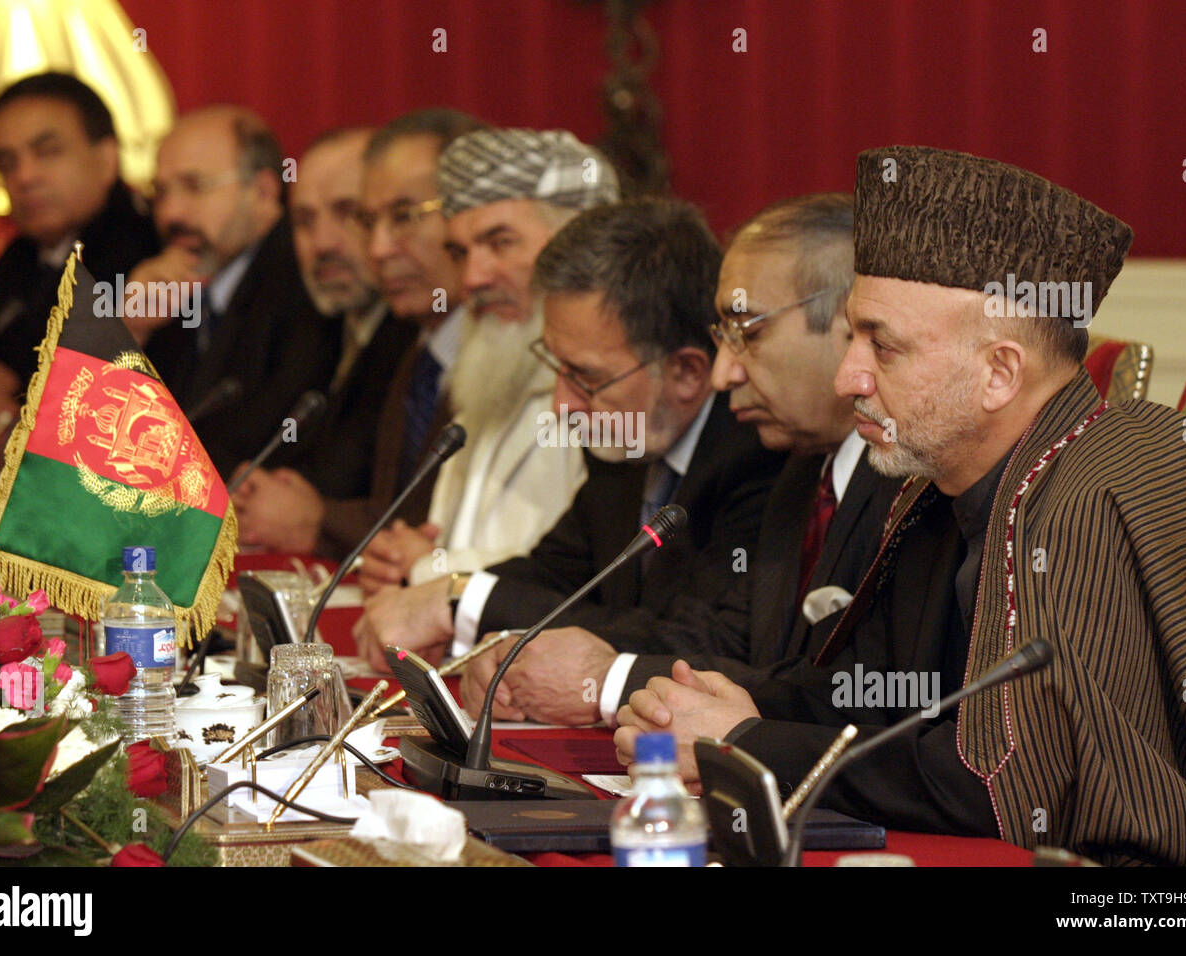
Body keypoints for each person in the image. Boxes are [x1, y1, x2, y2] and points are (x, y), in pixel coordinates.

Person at [615, 146, 1186, 866]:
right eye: (853, 334)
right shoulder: (935, 483)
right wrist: (704, 707)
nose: (850, 376)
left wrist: (747, 742)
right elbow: (881, 703)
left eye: (884, 348)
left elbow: (1002, 783)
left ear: (999, 372)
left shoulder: (1098, 482)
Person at [459, 194, 904, 726]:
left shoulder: (899, 481)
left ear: (854, 329)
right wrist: (504, 632)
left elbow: (875, 706)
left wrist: (607, 681)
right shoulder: (802, 470)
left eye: (749, 334)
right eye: (724, 337)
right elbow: (753, 653)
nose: (725, 376)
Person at [354, 197, 787, 680]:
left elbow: (695, 641)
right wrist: (439, 592)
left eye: (585, 377)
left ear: (687, 372)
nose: (563, 405)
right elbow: (558, 574)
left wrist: (464, 600)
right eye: (556, 366)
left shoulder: (761, 457)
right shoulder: (623, 439)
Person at [354, 127, 612, 590]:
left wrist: (430, 569)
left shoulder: (614, 396)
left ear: (576, 247)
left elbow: (588, 578)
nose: (472, 278)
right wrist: (404, 561)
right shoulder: (482, 381)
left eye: (500, 243)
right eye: (459, 251)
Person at [231, 108, 485, 557]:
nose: (380, 249)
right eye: (370, 222)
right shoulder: (417, 350)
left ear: (473, 215)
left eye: (405, 216)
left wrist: (317, 521)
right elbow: (397, 511)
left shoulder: (515, 357)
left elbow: (453, 535)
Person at [0, 72, 158, 448]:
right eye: (8, 162)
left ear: (107, 158)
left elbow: (75, 391)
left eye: (48, 151)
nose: (24, 177)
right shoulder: (21, 257)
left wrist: (9, 402)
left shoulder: (143, 252)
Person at [136, 106, 336, 479]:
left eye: (195, 186)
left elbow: (239, 444)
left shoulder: (306, 284)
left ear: (262, 190)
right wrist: (131, 333)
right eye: (160, 193)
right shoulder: (172, 283)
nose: (170, 213)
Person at [233, 127, 418, 511]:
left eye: (347, 213)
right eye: (304, 220)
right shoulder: (313, 329)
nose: (322, 243)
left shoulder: (416, 335)